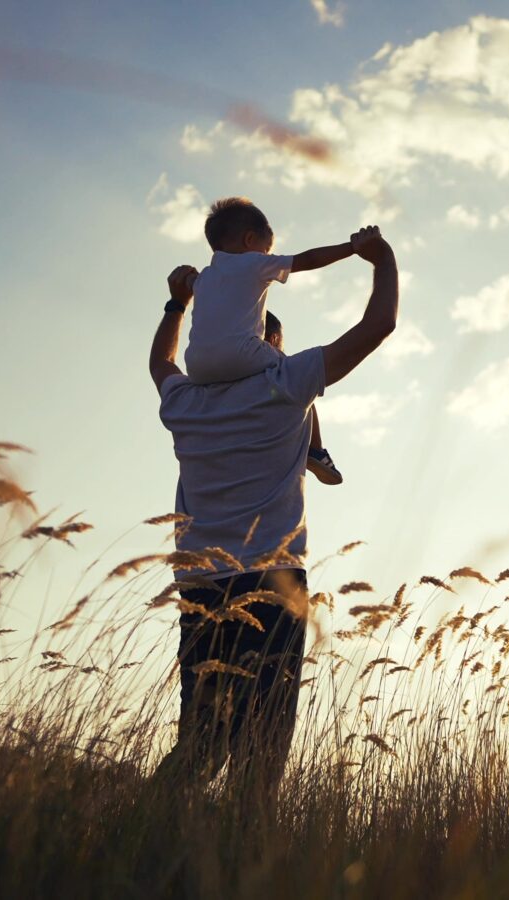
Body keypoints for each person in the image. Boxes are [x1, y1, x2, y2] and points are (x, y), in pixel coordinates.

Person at [146, 224, 397, 810]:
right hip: (272, 580)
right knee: (261, 752)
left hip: (200, 586)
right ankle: (241, 863)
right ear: (258, 336)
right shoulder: (285, 384)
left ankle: (140, 839)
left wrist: (176, 303)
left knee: (200, 746)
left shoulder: (182, 401)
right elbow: (378, 326)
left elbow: (159, 359)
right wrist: (380, 259)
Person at [186, 196, 349, 484]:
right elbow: (308, 260)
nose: (267, 256)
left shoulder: (204, 279)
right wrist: (352, 248)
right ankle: (316, 450)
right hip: (241, 353)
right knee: (299, 375)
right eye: (266, 249)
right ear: (250, 241)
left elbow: (191, 288)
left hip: (196, 367)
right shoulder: (253, 263)